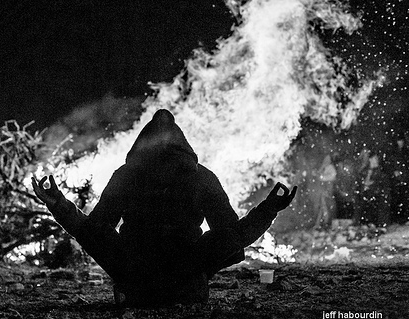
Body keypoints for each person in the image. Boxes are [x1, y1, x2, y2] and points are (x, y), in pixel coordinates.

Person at [32, 109, 296, 306]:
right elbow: (231, 238)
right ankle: (185, 283)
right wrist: (268, 209)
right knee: (227, 237)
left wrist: (61, 206)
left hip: (136, 281)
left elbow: (96, 232)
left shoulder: (126, 175)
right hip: (186, 281)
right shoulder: (201, 176)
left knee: (99, 234)